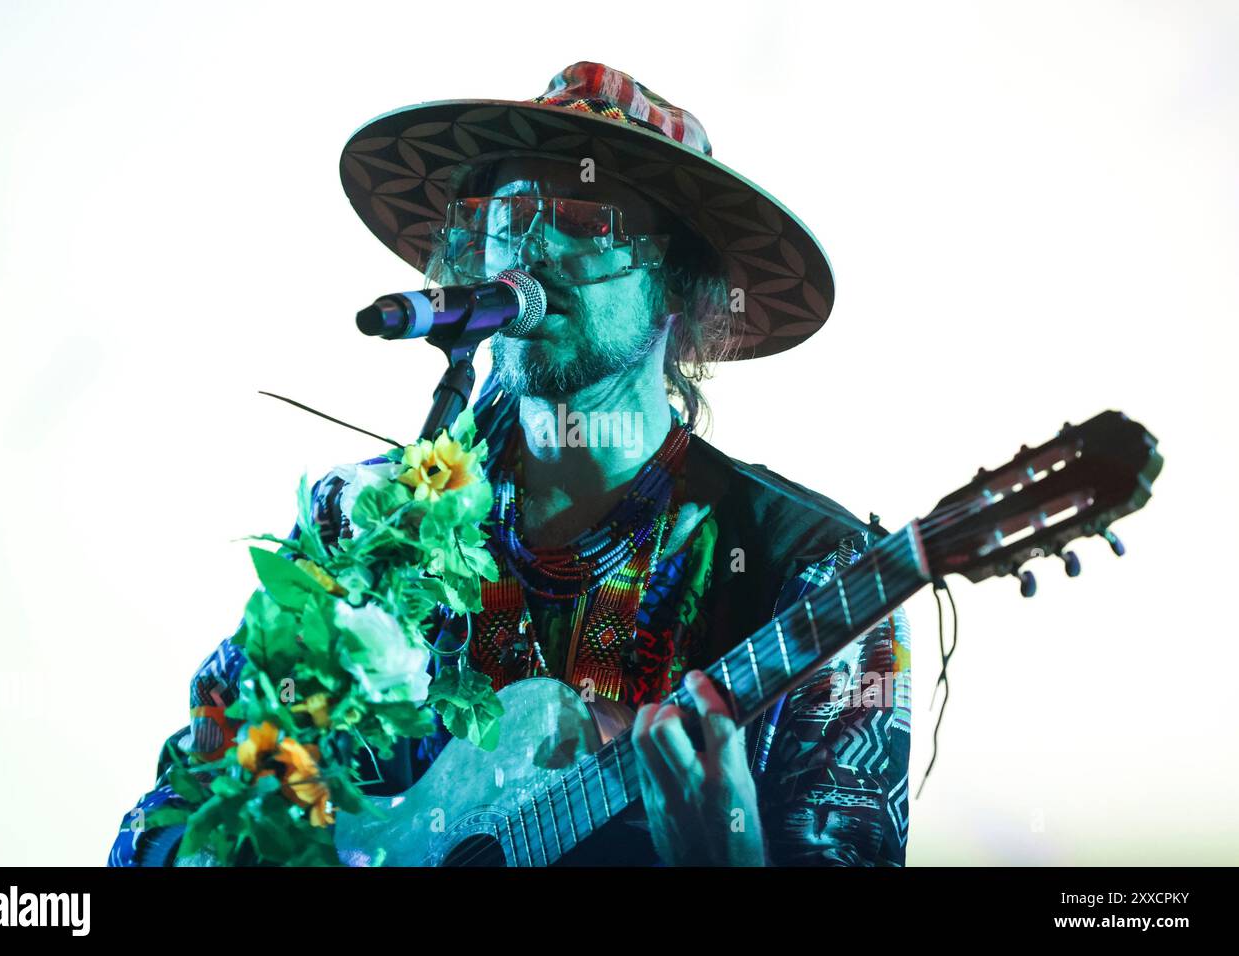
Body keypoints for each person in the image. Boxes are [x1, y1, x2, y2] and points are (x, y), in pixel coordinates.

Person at [110, 61, 911, 867]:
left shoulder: (817, 575)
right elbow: (180, 806)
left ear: (682, 286)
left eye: (583, 216)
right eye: (511, 213)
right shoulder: (359, 521)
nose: (534, 244)